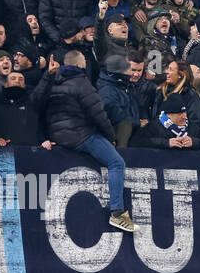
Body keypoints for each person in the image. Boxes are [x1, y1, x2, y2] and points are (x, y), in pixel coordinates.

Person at [35, 51, 134, 232]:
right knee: (117, 163)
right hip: (80, 135)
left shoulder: (51, 80)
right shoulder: (81, 81)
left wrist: (47, 76)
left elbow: (35, 102)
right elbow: (98, 113)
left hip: (57, 136)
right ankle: (117, 213)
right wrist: (111, 137)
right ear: (81, 66)